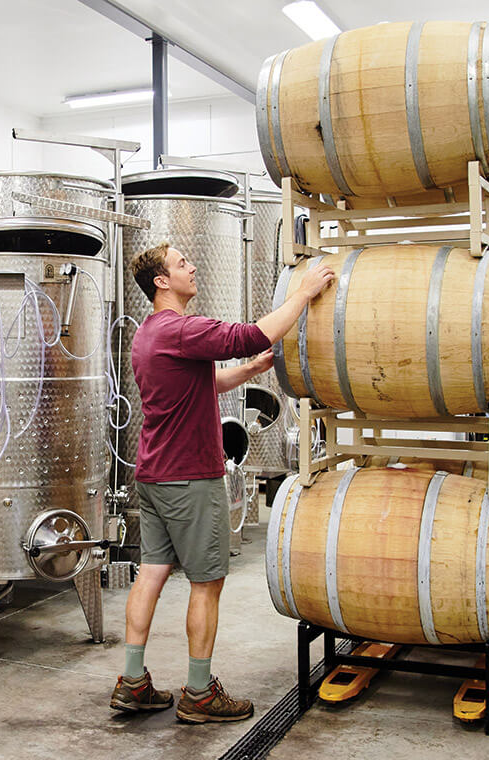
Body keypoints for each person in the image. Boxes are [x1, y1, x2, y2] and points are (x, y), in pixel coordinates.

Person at [109, 241, 334, 723]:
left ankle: (132, 683)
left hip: (152, 474)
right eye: (181, 263)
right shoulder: (183, 328)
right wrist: (304, 294)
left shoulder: (149, 334)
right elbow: (251, 334)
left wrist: (249, 373)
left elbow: (200, 384)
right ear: (161, 282)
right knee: (207, 584)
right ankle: (199, 692)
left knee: (151, 573)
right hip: (190, 476)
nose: (192, 266)